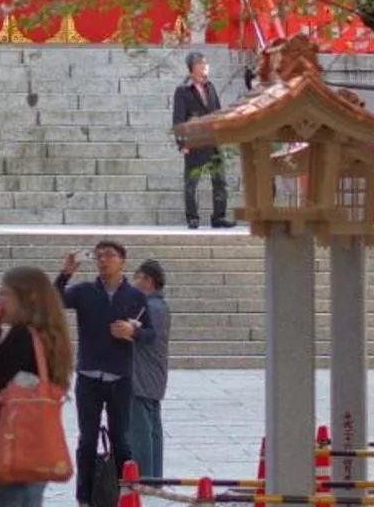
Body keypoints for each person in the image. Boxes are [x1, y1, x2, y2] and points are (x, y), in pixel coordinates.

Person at [0, 266, 75, 507]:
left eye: (5, 294)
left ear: (27, 299)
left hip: (8, 450)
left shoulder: (22, 336)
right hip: (36, 452)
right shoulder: (51, 338)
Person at [56, 242, 150, 506]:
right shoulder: (85, 291)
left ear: (122, 261)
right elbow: (55, 299)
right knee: (87, 441)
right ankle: (84, 497)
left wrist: (133, 332)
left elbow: (151, 335)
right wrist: (66, 273)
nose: (103, 260)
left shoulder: (135, 296)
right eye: (99, 256)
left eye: (110, 255)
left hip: (119, 378)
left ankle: (125, 494)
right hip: (88, 377)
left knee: (121, 441)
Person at [170, 55, 233, 229]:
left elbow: (218, 112)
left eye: (206, 63)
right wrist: (181, 143)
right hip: (194, 142)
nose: (204, 66)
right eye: (201, 63)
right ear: (192, 67)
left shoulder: (210, 86)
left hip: (213, 141)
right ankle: (192, 217)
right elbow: (178, 118)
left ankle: (219, 217)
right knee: (191, 182)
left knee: (219, 181)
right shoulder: (183, 90)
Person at [127, 261, 170, 484]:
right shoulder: (157, 306)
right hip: (151, 376)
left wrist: (130, 330)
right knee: (151, 429)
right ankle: (153, 477)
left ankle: (143, 479)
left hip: (142, 377)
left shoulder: (153, 307)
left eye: (137, 277)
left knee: (141, 432)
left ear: (147, 280)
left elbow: (148, 336)